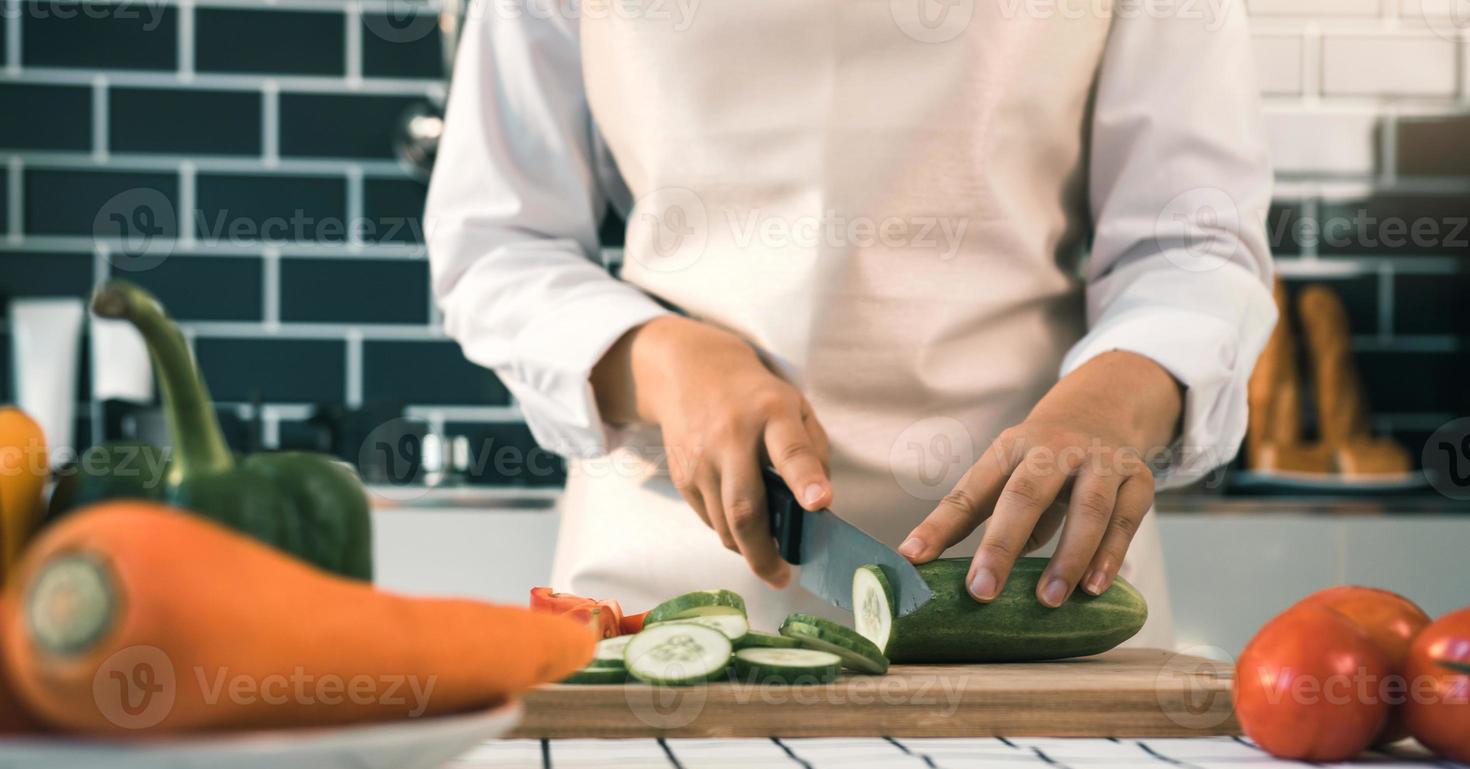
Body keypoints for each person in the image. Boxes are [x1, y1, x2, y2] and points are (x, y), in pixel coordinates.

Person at [426, 0, 1275, 647]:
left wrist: (1108, 409)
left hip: (1038, 577)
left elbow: (1193, 242)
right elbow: (498, 239)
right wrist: (665, 361)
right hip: (675, 577)